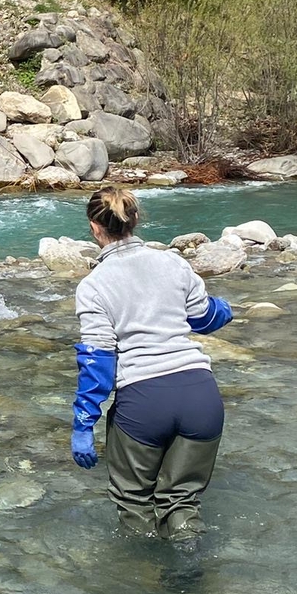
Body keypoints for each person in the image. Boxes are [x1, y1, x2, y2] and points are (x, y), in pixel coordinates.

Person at [71, 187, 233, 545]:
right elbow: (204, 317)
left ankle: (141, 584)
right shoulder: (173, 262)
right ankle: (189, 574)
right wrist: (225, 308)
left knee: (134, 502)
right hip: (201, 396)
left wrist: (84, 422)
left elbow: (98, 362)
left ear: (95, 228)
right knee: (181, 502)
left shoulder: (94, 285)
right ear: (135, 220)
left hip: (144, 401)